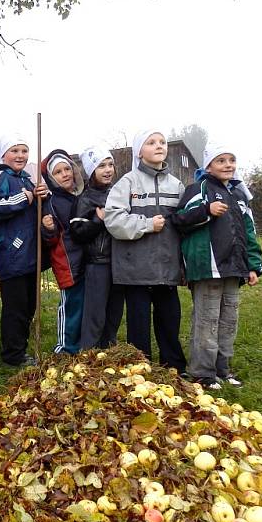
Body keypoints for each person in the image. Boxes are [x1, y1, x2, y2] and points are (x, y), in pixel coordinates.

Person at [174, 143, 262, 390]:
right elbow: (180, 219)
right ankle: (203, 373)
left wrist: (253, 265)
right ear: (208, 165)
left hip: (234, 268)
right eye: (221, 160)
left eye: (231, 160)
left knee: (228, 321)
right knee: (207, 320)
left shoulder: (238, 195)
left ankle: (222, 369)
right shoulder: (198, 188)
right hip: (208, 268)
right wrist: (206, 209)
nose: (228, 165)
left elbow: (249, 231)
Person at [104, 129, 187, 373]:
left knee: (170, 320)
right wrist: (147, 225)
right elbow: (113, 220)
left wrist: (183, 265)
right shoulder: (127, 183)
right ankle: (141, 369)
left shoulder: (177, 185)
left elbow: (184, 226)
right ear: (139, 152)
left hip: (166, 268)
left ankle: (174, 368)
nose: (159, 146)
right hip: (136, 270)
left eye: (162, 142)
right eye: (151, 142)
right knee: (138, 324)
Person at [0, 134, 48, 368]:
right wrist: (26, 197)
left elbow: (35, 207)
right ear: (3, 154)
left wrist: (41, 195)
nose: (20, 155)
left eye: (24, 151)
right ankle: (12, 354)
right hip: (11, 252)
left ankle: (21, 347)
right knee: (16, 306)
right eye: (15, 151)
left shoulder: (27, 179)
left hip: (30, 253)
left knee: (29, 304)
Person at [70, 147, 124, 350]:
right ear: (91, 170)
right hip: (97, 263)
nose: (108, 170)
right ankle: (89, 351)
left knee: (114, 310)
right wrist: (97, 221)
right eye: (101, 166)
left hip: (118, 261)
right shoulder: (85, 199)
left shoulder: (118, 193)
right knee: (95, 311)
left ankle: (109, 348)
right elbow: (77, 232)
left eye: (110, 164)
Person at [40, 149, 85, 355]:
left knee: (85, 305)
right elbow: (50, 240)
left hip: (86, 260)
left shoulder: (81, 196)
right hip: (67, 262)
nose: (65, 174)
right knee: (70, 306)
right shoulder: (51, 203)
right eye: (58, 172)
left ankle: (82, 344)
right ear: (51, 178)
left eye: (67, 169)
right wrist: (48, 228)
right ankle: (65, 347)